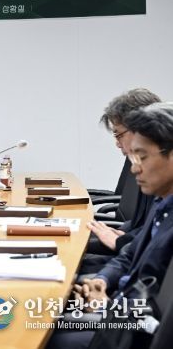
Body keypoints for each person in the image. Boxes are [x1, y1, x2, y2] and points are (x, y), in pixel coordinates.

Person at [49, 102, 173, 349]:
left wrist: (106, 306)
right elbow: (129, 257)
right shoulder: (163, 204)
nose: (134, 168)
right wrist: (102, 280)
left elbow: (160, 320)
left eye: (142, 157)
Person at [80, 89, 160, 273]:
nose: (117, 143)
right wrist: (123, 234)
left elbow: (154, 245)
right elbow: (143, 225)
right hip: (130, 250)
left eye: (119, 135)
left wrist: (120, 241)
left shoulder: (161, 176)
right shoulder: (144, 166)